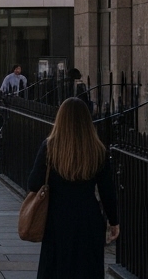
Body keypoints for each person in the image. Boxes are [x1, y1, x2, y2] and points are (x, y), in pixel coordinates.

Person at [28, 97, 119, 278]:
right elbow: (107, 190)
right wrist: (114, 221)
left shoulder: (50, 147)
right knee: (87, 268)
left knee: (56, 267)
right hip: (88, 217)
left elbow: (33, 183)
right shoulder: (97, 150)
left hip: (56, 217)